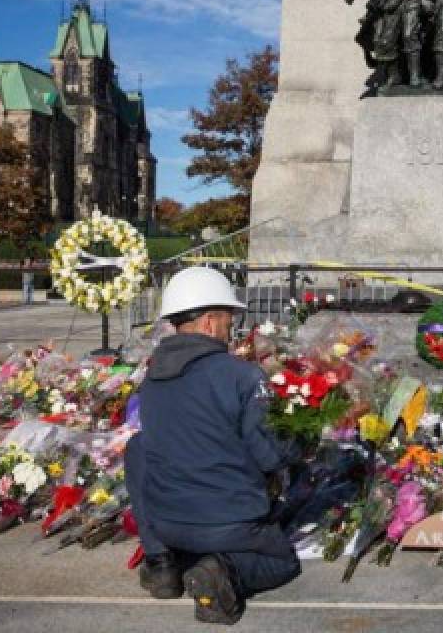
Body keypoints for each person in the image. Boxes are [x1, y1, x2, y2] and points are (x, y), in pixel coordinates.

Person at [125, 266, 301, 625]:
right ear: (208, 322)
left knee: (138, 447)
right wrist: (300, 439)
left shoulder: (152, 376)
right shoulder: (241, 375)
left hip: (167, 525)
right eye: (226, 319)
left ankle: (161, 564)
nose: (229, 329)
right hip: (229, 524)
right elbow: (269, 454)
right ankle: (224, 571)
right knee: (281, 561)